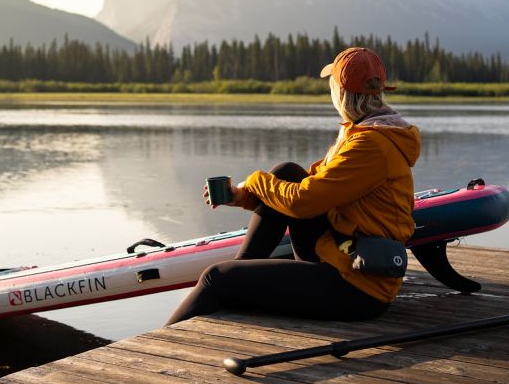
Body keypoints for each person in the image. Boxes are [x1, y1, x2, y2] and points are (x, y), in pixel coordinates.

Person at [166, 47, 421, 325]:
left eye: (332, 84)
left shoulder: (370, 144)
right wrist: (245, 198)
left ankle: (159, 346)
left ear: (341, 92)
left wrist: (254, 181)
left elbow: (303, 201)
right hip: (341, 253)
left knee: (216, 278)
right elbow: (313, 186)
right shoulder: (367, 131)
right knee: (287, 173)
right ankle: (239, 272)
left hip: (358, 286)